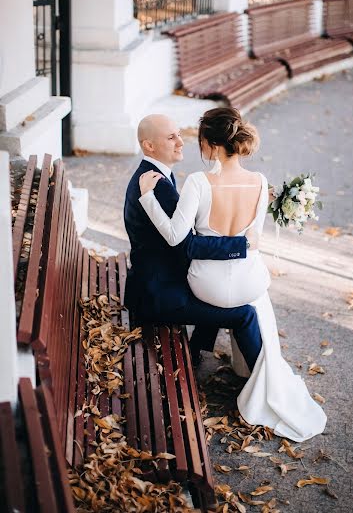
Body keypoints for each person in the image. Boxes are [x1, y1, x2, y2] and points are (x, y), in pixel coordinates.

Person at [139, 106, 327, 443]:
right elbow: (253, 240)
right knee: (256, 296)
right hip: (248, 280)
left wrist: (147, 198)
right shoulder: (259, 181)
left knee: (227, 291)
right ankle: (256, 370)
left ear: (209, 144)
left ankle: (226, 358)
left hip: (206, 286)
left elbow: (174, 236)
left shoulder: (198, 182)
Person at [124, 113, 262, 372]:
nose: (180, 142)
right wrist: (240, 245)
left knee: (213, 283)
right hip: (160, 295)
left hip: (155, 280)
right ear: (149, 146)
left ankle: (195, 349)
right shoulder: (157, 186)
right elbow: (187, 245)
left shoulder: (155, 175)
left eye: (179, 134)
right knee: (245, 314)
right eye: (171, 137)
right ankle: (262, 383)